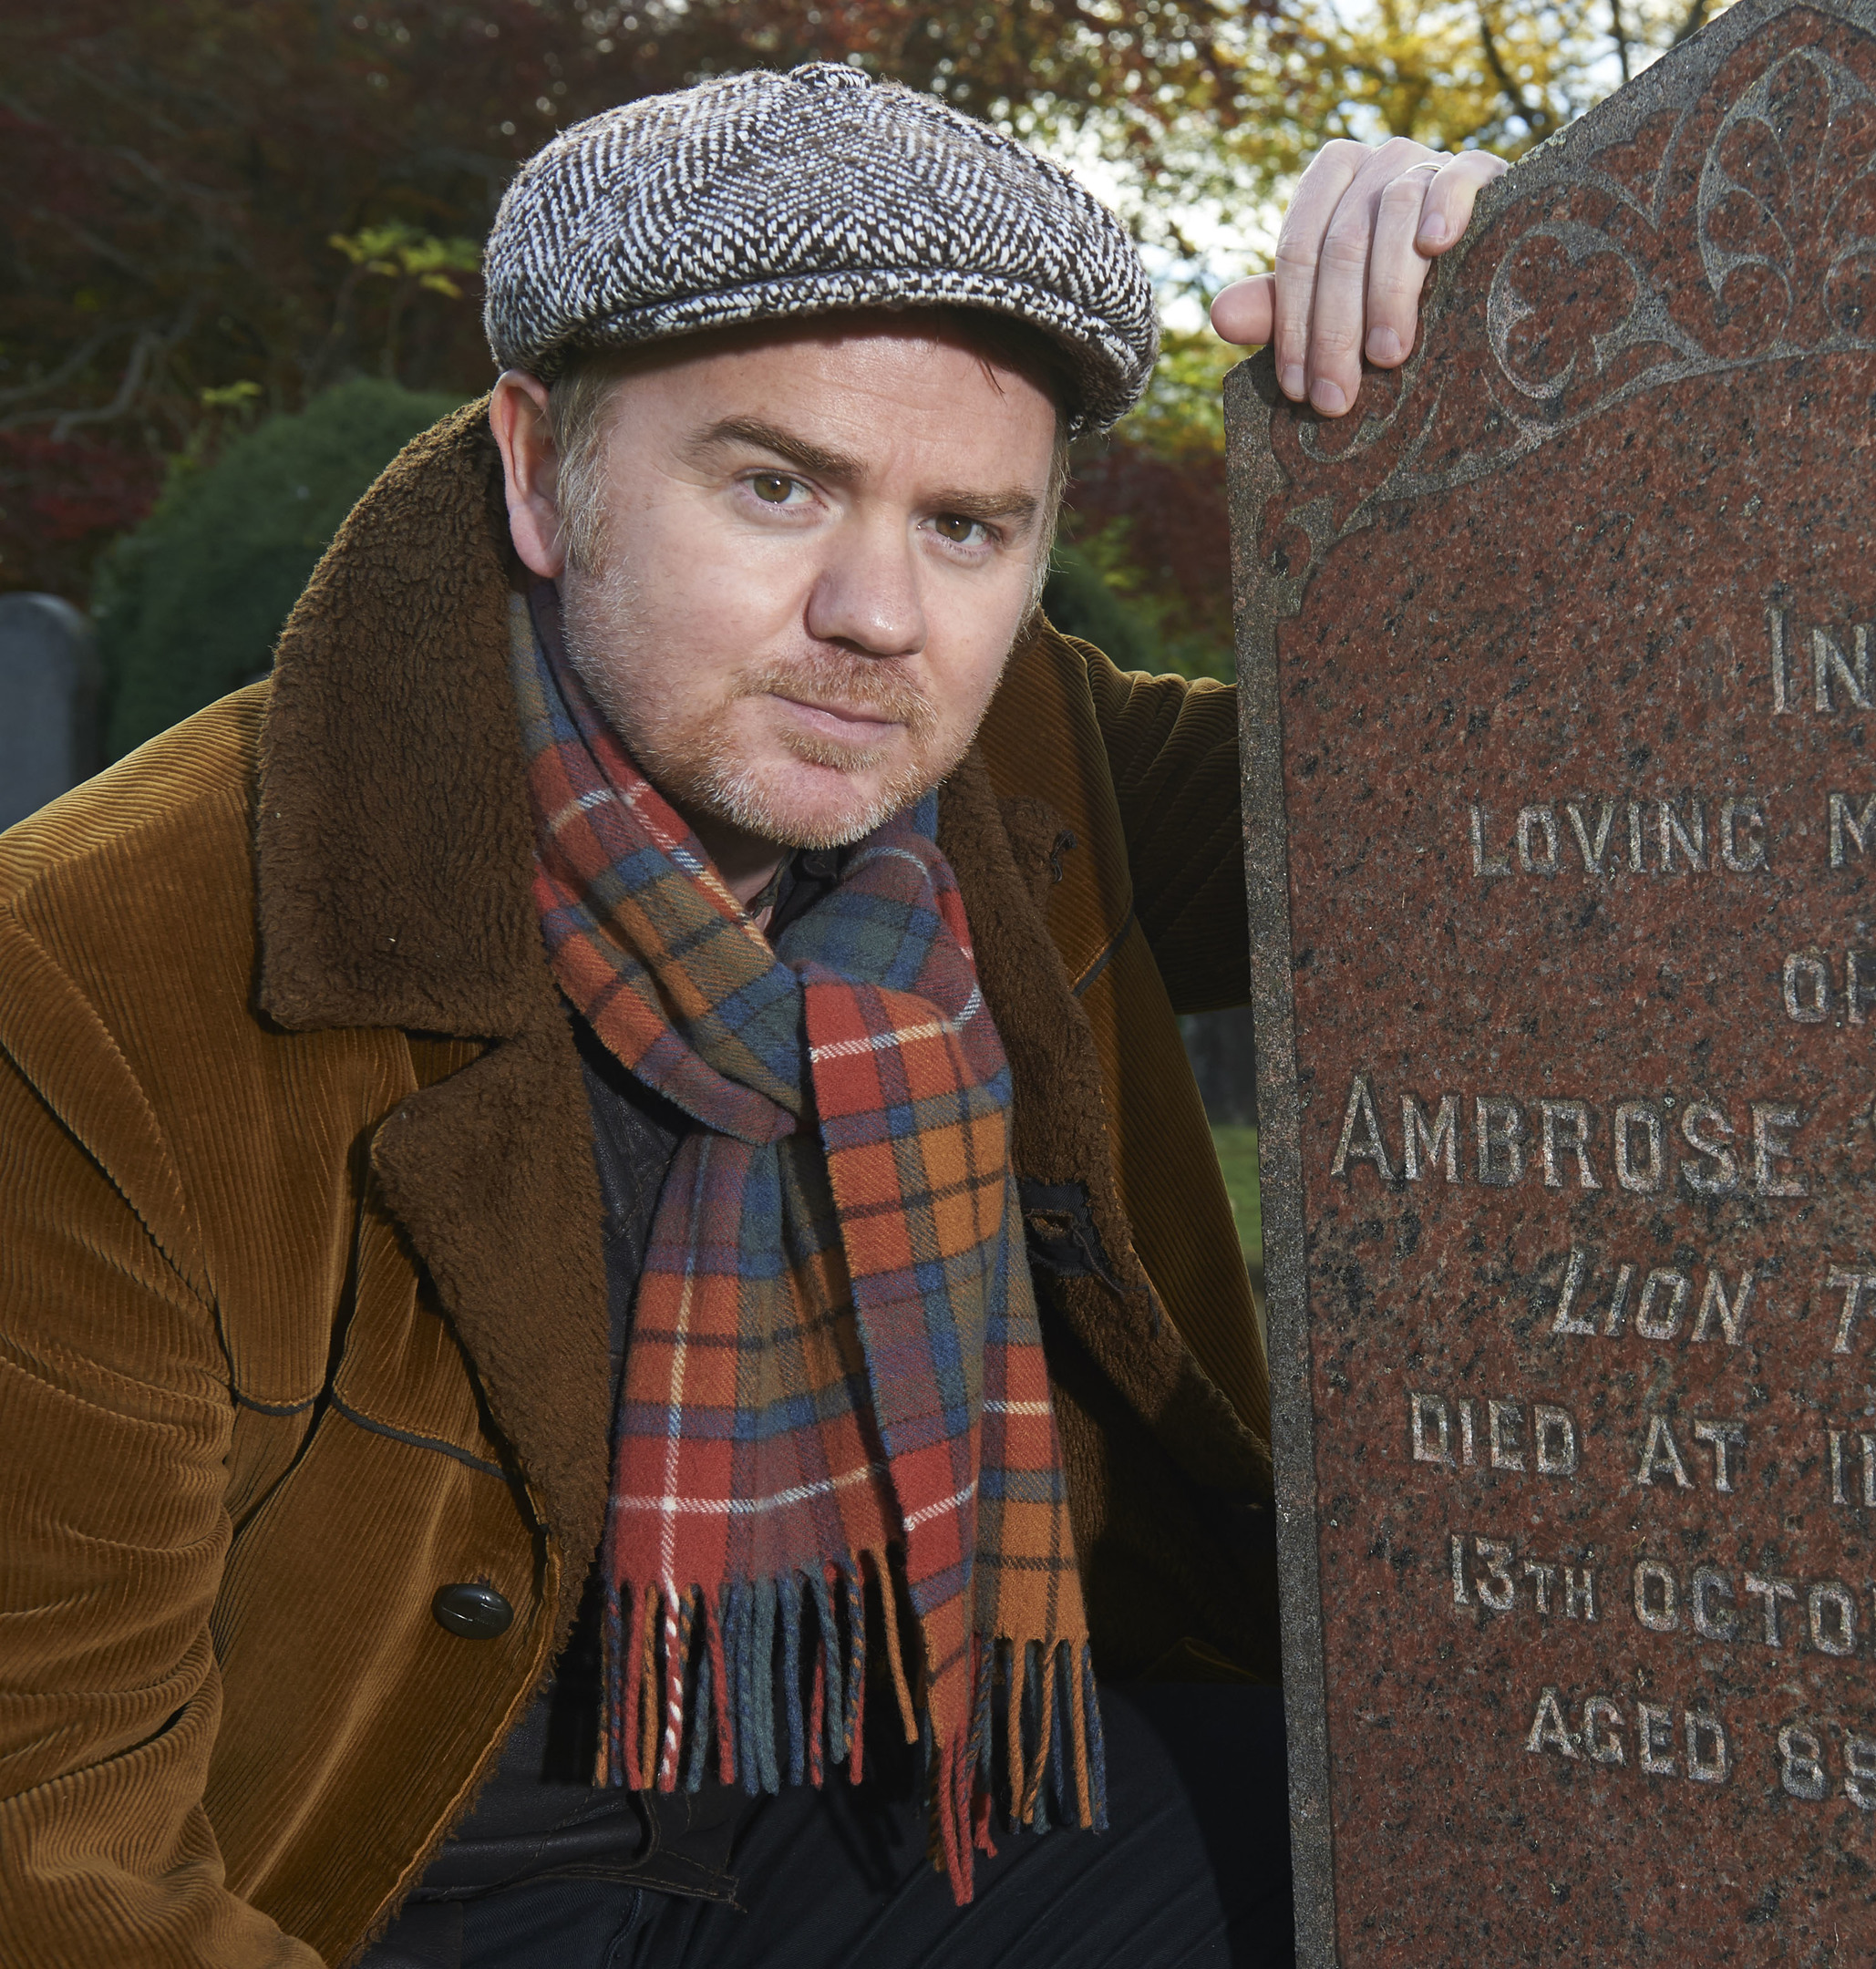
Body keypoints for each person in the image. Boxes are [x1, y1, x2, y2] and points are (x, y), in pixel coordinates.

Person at [0, 63, 1500, 1969]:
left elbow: (1494, 785)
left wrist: (1520, 297)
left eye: (968, 525)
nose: (877, 613)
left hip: (930, 1777)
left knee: (1488, 1851)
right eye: (777, 484)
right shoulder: (87, 991)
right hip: (389, 1884)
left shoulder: (1017, 757)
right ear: (542, 470)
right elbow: (56, 1874)